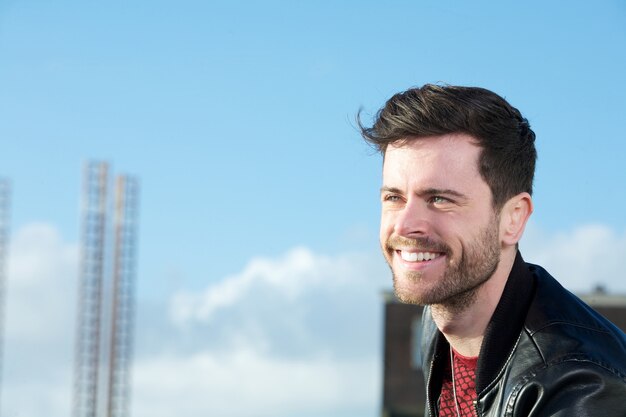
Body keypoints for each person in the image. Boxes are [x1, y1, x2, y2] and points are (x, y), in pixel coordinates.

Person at [359, 84, 626, 417]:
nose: (405, 224)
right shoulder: (440, 319)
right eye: (394, 198)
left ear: (512, 219)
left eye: (440, 199)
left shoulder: (580, 387)